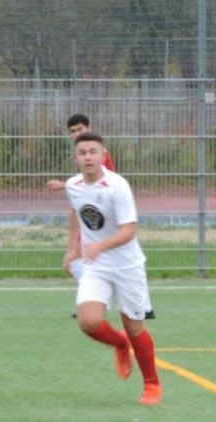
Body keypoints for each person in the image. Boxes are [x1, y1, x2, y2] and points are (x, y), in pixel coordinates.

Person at [63, 132, 161, 406]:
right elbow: (75, 213)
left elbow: (130, 230)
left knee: (135, 327)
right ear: (76, 157)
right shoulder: (72, 185)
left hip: (128, 266)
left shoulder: (117, 186)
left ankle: (152, 385)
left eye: (93, 152)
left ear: (103, 155)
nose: (88, 157)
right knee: (88, 321)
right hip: (97, 266)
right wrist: (72, 249)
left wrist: (100, 245)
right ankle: (120, 344)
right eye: (82, 153)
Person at [48, 113, 154, 319]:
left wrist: (63, 185)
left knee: (110, 261)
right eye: (73, 132)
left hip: (108, 224)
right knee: (77, 262)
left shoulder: (104, 167)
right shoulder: (79, 166)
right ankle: (93, 301)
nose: (76, 134)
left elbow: (104, 188)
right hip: (91, 221)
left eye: (80, 129)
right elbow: (79, 198)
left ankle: (136, 306)